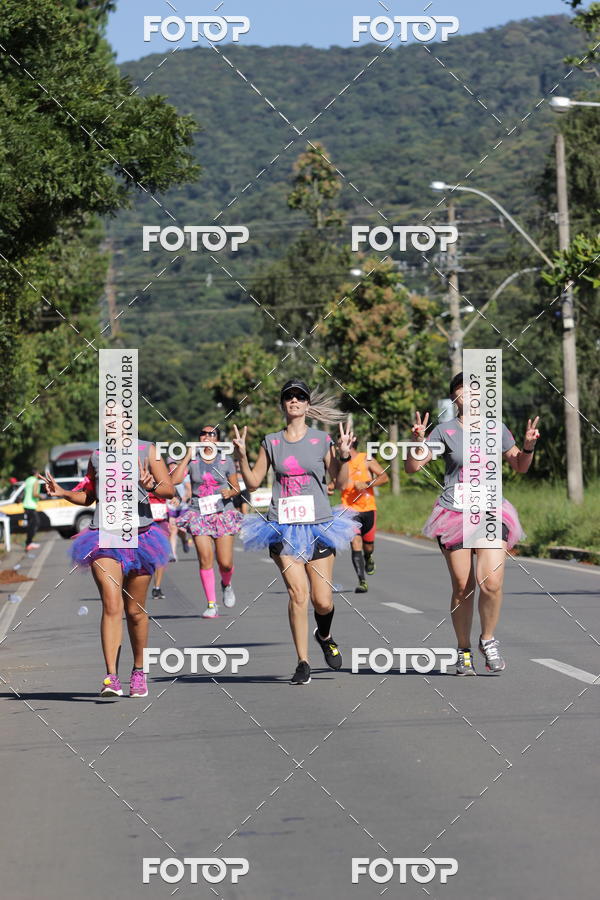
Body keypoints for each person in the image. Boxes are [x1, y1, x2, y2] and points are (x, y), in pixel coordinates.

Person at [405, 372, 540, 676]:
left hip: (491, 511)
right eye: (461, 388)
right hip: (454, 513)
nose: (468, 392)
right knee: (463, 587)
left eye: (474, 388)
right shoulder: (444, 431)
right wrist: (418, 442)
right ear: (454, 397)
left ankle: (487, 639)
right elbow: (412, 467)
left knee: (491, 583)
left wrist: (529, 447)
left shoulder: (497, 428)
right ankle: (463, 649)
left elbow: (520, 466)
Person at [233, 379, 358, 686]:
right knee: (298, 594)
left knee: (322, 600)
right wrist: (241, 456)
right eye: (289, 396)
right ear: (282, 404)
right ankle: (303, 661)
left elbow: (341, 483)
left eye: (300, 397)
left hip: (319, 526)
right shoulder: (271, 441)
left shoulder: (321, 440)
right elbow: (253, 483)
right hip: (283, 527)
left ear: (307, 404)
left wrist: (344, 457)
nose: (294, 400)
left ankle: (324, 635)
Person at [42, 442, 174, 698]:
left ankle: (138, 671)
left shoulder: (148, 450)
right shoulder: (97, 456)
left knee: (135, 611)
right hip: (104, 537)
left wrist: (151, 486)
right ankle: (111, 677)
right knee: (111, 604)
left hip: (141, 538)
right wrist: (63, 492)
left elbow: (169, 490)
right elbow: (90, 496)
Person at [171, 426, 242, 618]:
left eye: (212, 434)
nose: (207, 436)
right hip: (198, 513)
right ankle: (211, 604)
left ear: (217, 440)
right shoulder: (193, 460)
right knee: (205, 558)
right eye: (203, 433)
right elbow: (175, 480)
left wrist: (230, 492)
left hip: (222, 513)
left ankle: (226, 584)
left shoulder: (226, 460)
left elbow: (236, 487)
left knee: (225, 563)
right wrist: (188, 454)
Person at [340, 438, 389, 593]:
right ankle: (362, 581)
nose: (338, 446)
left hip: (368, 508)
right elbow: (336, 481)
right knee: (355, 543)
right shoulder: (340, 462)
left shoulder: (366, 458)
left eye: (341, 442)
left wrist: (367, 484)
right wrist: (330, 486)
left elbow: (384, 477)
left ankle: (368, 557)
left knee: (368, 546)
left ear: (350, 443)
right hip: (349, 510)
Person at [23, 469, 41, 551]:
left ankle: (29, 543)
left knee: (30, 524)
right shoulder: (35, 481)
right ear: (36, 473)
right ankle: (29, 543)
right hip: (31, 505)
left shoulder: (27, 480)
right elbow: (34, 494)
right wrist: (41, 496)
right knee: (35, 523)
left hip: (26, 505)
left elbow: (25, 492)